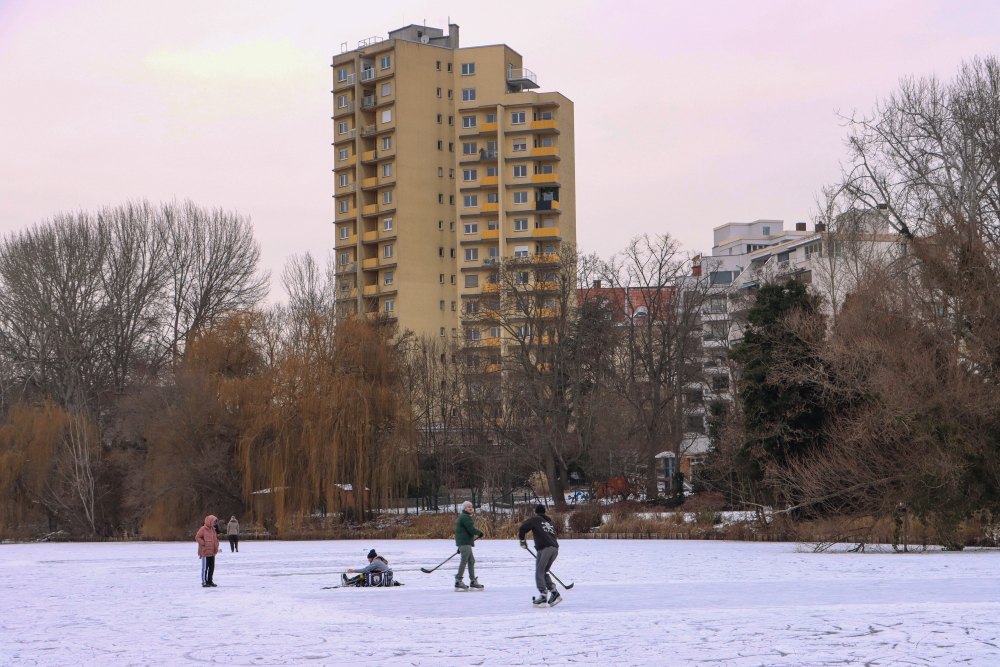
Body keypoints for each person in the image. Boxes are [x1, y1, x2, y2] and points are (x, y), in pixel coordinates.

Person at [518, 504, 561, 606]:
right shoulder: (548, 522)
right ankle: (554, 592)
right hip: (554, 548)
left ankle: (543, 595)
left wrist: (522, 541)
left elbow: (522, 528)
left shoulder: (536, 519)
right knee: (543, 571)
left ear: (536, 512)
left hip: (545, 548)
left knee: (539, 571)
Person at [454, 501, 484, 591]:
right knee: (464, 560)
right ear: (464, 508)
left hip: (464, 542)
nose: (470, 508)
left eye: (471, 506)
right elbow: (471, 529)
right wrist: (479, 533)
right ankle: (458, 580)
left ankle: (473, 580)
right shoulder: (465, 517)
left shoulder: (462, 517)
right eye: (468, 507)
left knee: (471, 560)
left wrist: (460, 545)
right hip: (465, 542)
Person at [195, 515, 220, 588]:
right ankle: (204, 581)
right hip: (205, 552)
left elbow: (214, 539)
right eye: (214, 521)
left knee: (211, 567)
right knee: (205, 568)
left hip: (212, 552)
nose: (215, 523)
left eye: (215, 522)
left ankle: (210, 581)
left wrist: (216, 545)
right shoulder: (203, 529)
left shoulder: (213, 530)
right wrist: (203, 543)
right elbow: (197, 537)